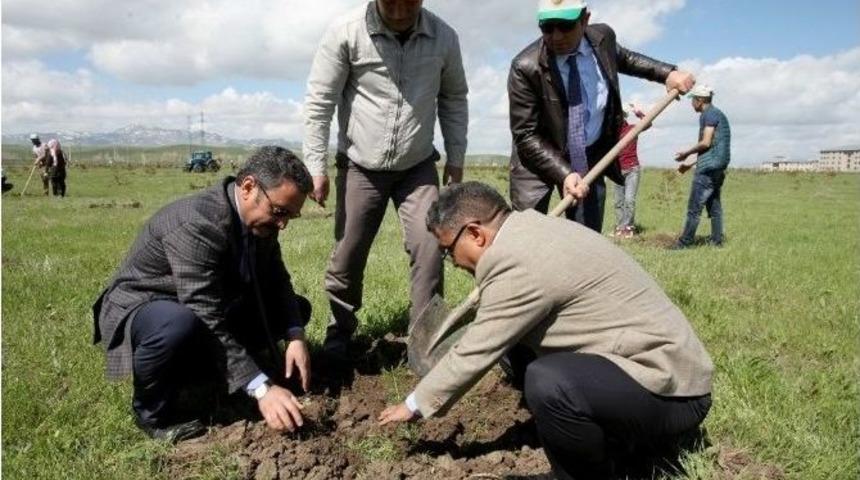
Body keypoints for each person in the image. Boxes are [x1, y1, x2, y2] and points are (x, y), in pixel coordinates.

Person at [379, 182, 714, 480]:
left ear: (476, 234)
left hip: (672, 392)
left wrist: (414, 403)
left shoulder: (516, 264)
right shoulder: (531, 230)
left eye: (448, 250)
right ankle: (590, 429)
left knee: (547, 381)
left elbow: (476, 349)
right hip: (649, 369)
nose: (451, 262)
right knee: (517, 351)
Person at [93, 146, 314, 443]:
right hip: (147, 307)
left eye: (290, 216)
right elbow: (202, 310)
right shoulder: (198, 222)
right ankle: (152, 415)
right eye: (279, 212)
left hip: (206, 304)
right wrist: (261, 388)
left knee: (296, 309)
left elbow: (277, 279)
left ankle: (209, 374)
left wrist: (296, 336)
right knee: (178, 323)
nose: (282, 224)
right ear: (248, 187)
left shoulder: (261, 223)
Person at [303, 0, 468, 361]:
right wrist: (316, 164)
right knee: (349, 250)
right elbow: (320, 102)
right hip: (361, 163)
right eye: (389, 1)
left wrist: (456, 158)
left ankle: (426, 340)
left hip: (417, 166)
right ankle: (339, 330)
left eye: (407, 1)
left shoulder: (444, 38)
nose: (397, 10)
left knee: (430, 246)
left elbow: (454, 99)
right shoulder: (345, 33)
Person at [508, 0, 696, 233]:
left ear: (585, 20)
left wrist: (667, 73)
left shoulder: (602, 38)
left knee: (587, 240)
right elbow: (525, 135)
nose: (556, 36)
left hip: (588, 156)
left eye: (565, 25)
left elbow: (625, 59)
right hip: (538, 159)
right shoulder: (525, 66)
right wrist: (565, 174)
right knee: (527, 239)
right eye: (547, 27)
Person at [672, 85, 731, 249]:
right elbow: (714, 149)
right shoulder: (717, 113)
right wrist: (689, 164)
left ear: (700, 100)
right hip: (718, 167)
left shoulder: (709, 115)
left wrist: (686, 153)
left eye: (692, 100)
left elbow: (706, 142)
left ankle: (685, 243)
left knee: (694, 208)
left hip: (707, 169)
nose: (691, 103)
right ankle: (716, 242)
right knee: (714, 205)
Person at [612, 104, 648, 238]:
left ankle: (628, 227)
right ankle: (620, 227)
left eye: (620, 116)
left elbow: (648, 122)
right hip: (617, 171)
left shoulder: (632, 129)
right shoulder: (612, 133)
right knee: (618, 201)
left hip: (632, 169)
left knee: (629, 200)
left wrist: (638, 112)